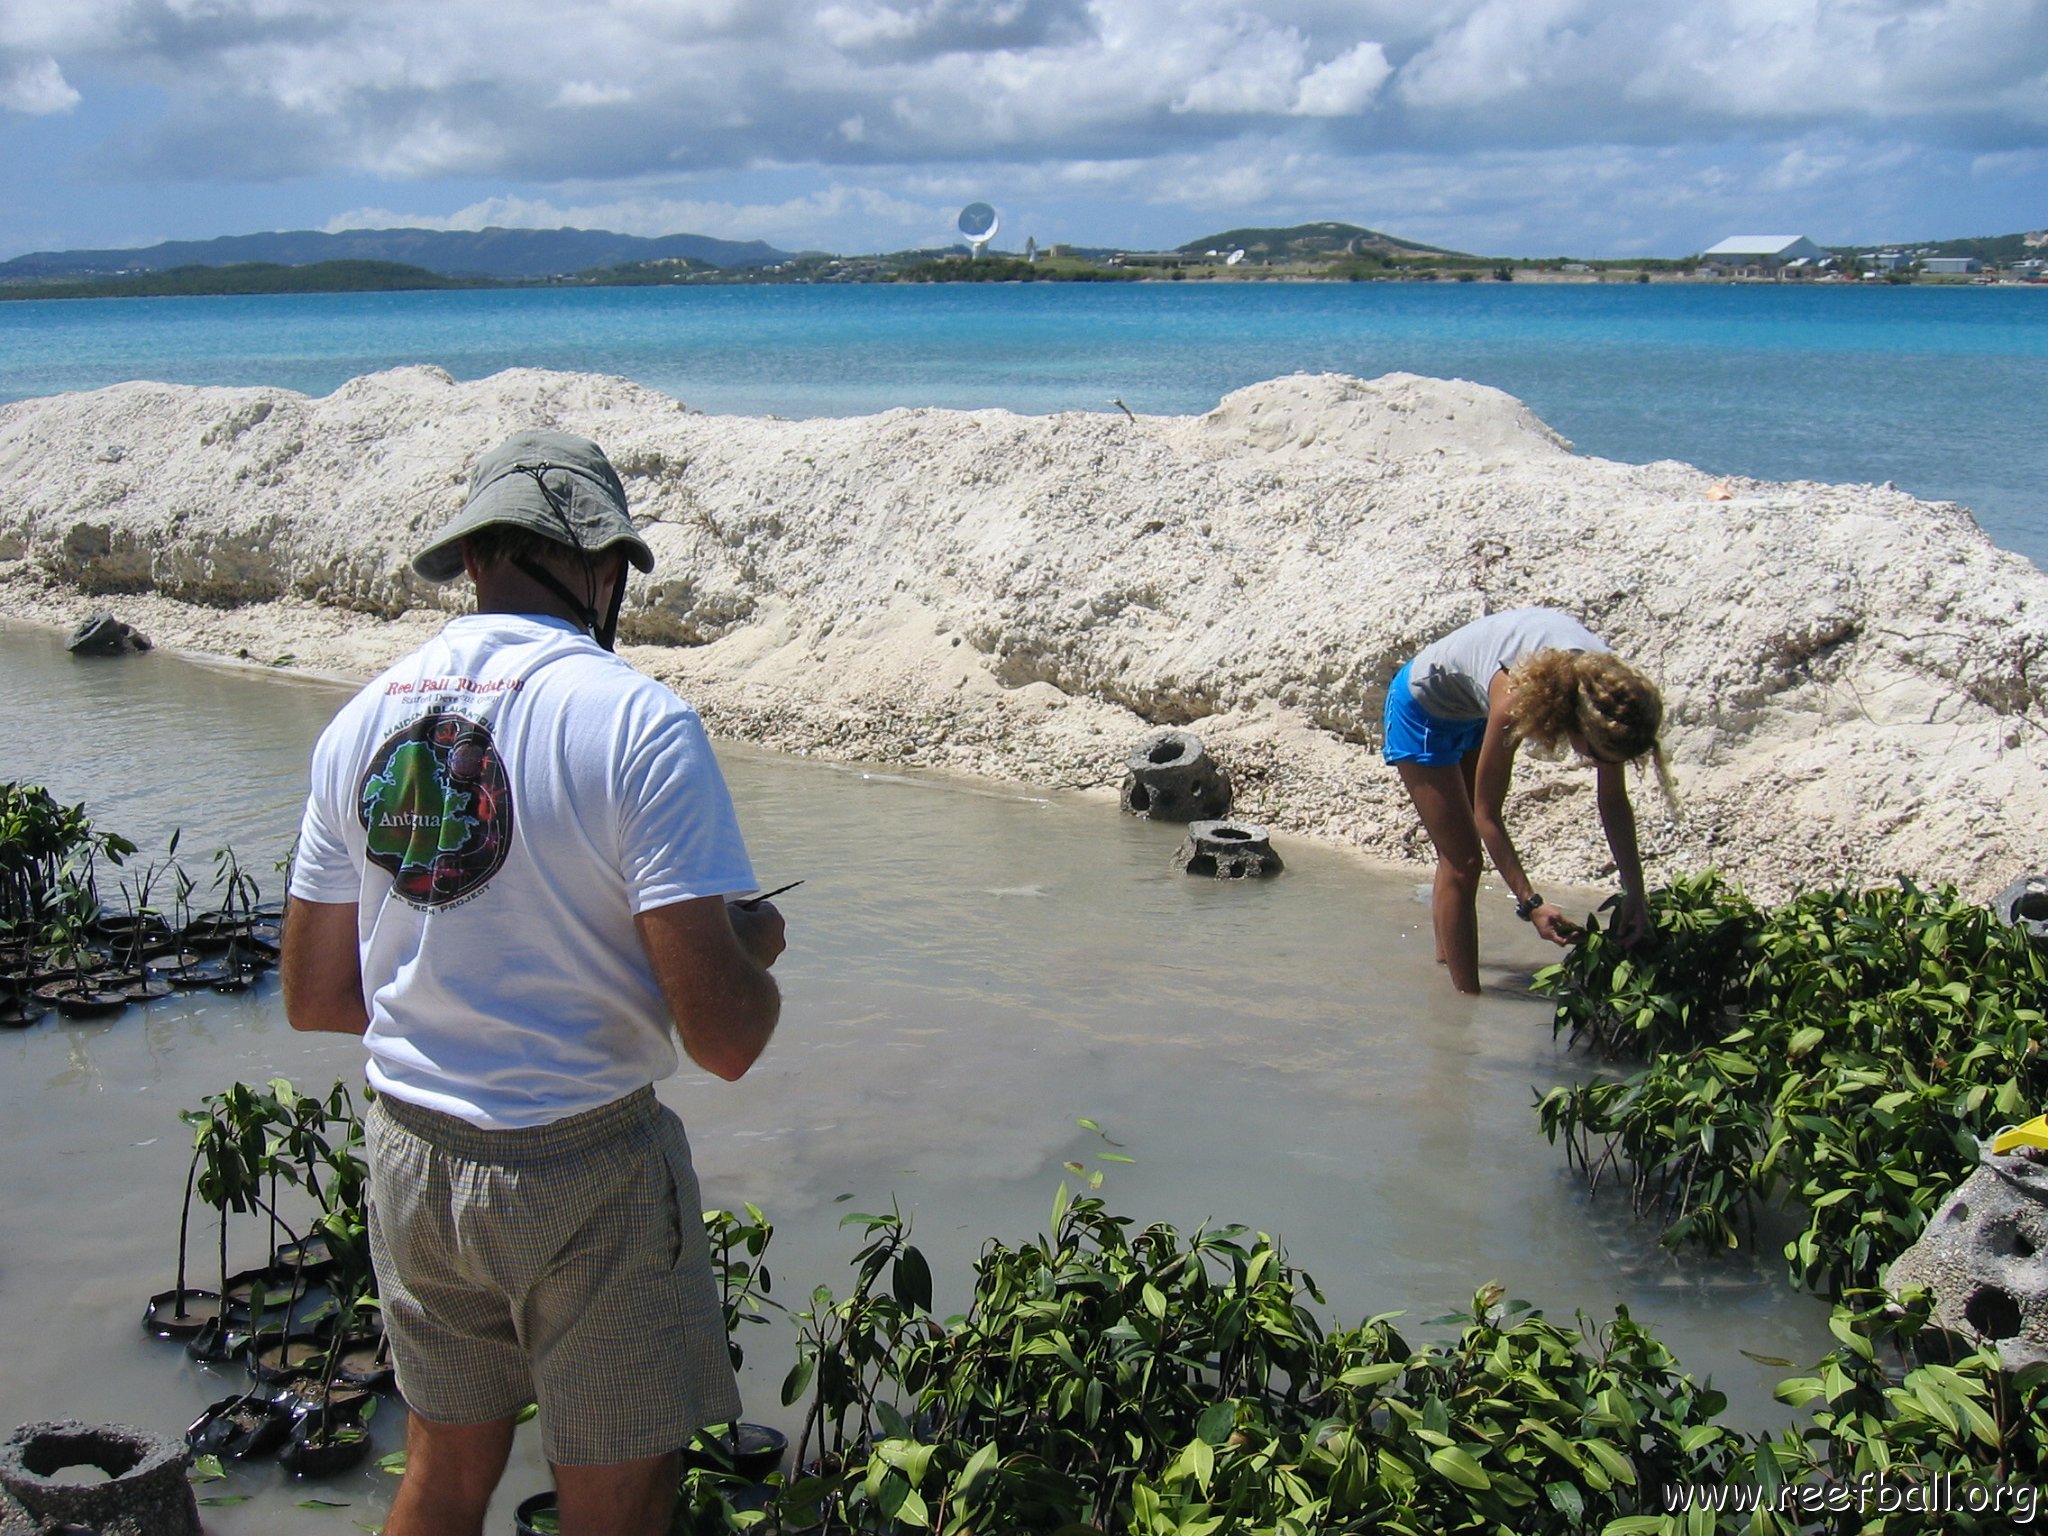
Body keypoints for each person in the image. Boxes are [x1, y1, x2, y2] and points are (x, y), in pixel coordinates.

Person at [281, 428, 785, 1536]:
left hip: (412, 1154)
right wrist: (754, 949)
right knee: (620, 1500)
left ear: (473, 563)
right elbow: (727, 1039)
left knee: (443, 1474)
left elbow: (318, 997)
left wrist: (463, 980)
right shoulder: (638, 721)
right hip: (583, 1169)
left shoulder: (360, 720)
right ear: (603, 568)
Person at [1381, 607, 1669, 994]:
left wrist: (1636, 893)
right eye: (1596, 755)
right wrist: (1531, 903)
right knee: (1464, 859)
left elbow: (1613, 800)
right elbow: (1487, 815)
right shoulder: (1516, 697)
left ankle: (1447, 961)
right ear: (1577, 721)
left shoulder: (1607, 697)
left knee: (1457, 855)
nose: (1595, 763)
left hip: (1469, 706)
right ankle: (1463, 1009)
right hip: (1421, 709)